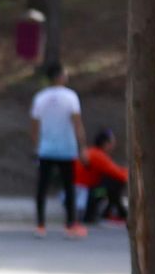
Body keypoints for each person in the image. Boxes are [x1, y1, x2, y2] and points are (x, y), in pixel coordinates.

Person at [30, 62, 86, 238]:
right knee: (69, 187)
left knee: (42, 187)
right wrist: (82, 146)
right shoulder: (71, 97)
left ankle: (40, 225)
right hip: (66, 148)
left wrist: (36, 146)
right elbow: (77, 124)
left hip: (45, 149)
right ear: (60, 77)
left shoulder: (40, 97)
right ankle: (70, 225)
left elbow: (34, 126)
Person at [75, 130, 127, 226]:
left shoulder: (93, 152)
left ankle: (111, 212)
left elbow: (117, 170)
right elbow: (119, 174)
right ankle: (108, 212)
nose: (114, 146)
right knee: (113, 185)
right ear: (106, 144)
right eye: (112, 143)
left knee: (110, 184)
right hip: (87, 193)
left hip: (85, 191)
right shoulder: (98, 155)